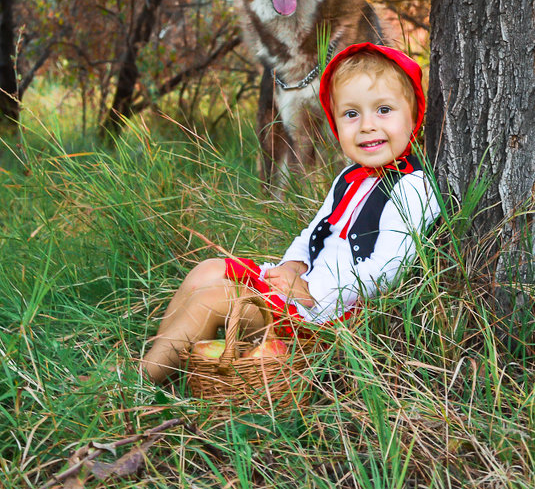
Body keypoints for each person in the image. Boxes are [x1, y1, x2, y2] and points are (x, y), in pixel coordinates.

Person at [141, 43, 440, 383]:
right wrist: (290, 266)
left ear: (414, 115)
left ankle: (139, 383)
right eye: (351, 114)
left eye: (384, 110)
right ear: (335, 122)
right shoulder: (347, 177)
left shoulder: (412, 187)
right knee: (207, 270)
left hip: (327, 315)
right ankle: (166, 360)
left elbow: (386, 272)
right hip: (300, 294)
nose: (367, 125)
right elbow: (313, 233)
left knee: (213, 301)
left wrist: (309, 291)